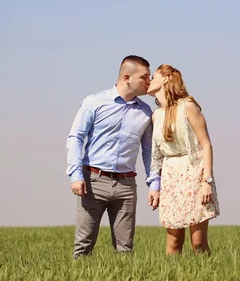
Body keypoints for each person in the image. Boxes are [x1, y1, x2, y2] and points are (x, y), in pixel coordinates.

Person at [66, 55, 159, 258]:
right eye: (145, 77)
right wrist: (76, 175)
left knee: (125, 249)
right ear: (127, 77)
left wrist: (154, 184)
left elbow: (148, 151)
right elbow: (75, 138)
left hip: (126, 185)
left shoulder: (145, 112)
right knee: (83, 246)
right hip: (92, 182)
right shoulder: (94, 102)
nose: (149, 82)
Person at [146, 64, 220, 255]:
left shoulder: (188, 106)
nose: (148, 80)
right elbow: (156, 155)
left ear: (164, 79)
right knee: (173, 240)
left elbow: (206, 145)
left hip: (194, 173)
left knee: (198, 242)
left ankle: (207, 280)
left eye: (152, 76)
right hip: (170, 176)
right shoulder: (156, 115)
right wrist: (154, 187)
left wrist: (207, 181)